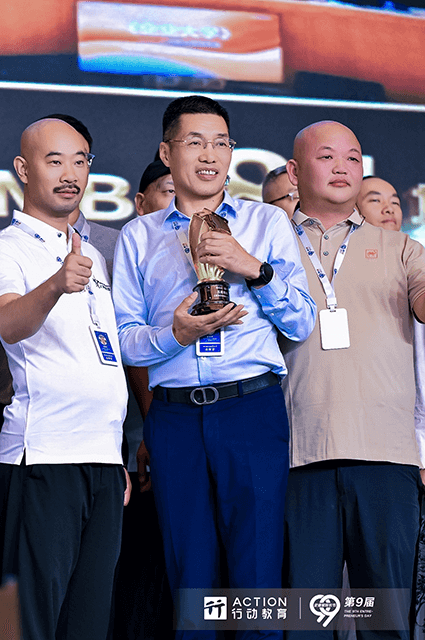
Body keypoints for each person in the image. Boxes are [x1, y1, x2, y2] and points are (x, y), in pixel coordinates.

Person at [111, 95, 315, 640]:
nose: (210, 155)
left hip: (251, 408)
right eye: (195, 142)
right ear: (167, 152)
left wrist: (252, 268)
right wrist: (176, 334)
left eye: (221, 143)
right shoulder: (139, 236)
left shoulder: (266, 222)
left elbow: (302, 322)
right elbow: (126, 342)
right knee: (190, 582)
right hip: (175, 418)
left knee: (258, 579)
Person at [0, 116, 130, 640]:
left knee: (89, 622)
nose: (71, 174)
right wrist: (54, 285)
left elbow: (102, 359)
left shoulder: (92, 255)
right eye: (55, 161)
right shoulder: (5, 248)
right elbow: (8, 323)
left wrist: (114, 453)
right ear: (23, 169)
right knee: (33, 623)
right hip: (43, 457)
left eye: (80, 161)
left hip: (101, 459)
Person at [282, 121, 425, 640]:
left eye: (353, 157)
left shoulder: (401, 248)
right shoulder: (269, 247)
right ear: (295, 172)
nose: (342, 167)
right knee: (305, 623)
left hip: (386, 457)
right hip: (297, 456)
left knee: (386, 623)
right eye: (327, 157)